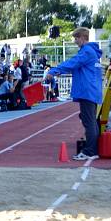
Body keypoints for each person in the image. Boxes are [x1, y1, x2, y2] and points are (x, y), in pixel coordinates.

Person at [46, 27, 103, 160]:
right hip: (90, 91)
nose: (75, 41)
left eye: (76, 38)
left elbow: (73, 63)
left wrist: (54, 70)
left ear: (83, 38)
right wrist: (60, 71)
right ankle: (92, 149)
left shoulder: (87, 52)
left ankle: (90, 151)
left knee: (89, 122)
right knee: (90, 120)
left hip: (87, 91)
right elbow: (76, 67)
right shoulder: (90, 52)